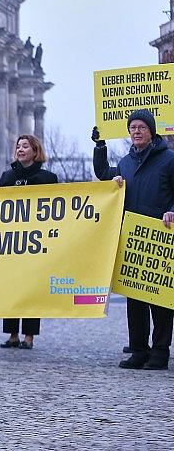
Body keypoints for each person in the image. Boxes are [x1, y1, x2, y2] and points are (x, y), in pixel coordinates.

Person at [93, 111, 174, 370]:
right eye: (132, 128)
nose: (136, 131)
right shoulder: (126, 163)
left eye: (141, 127)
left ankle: (160, 352)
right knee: (135, 299)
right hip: (133, 238)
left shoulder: (169, 160)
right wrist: (100, 146)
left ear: (151, 131)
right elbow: (104, 173)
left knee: (160, 300)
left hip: (160, 237)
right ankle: (138, 350)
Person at [0, 134, 59, 349]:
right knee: (12, 287)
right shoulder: (6, 177)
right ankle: (12, 334)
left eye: (25, 146)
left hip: (36, 242)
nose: (20, 149)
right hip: (11, 242)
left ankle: (29, 336)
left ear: (35, 151)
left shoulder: (48, 179)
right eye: (18, 146)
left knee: (32, 289)